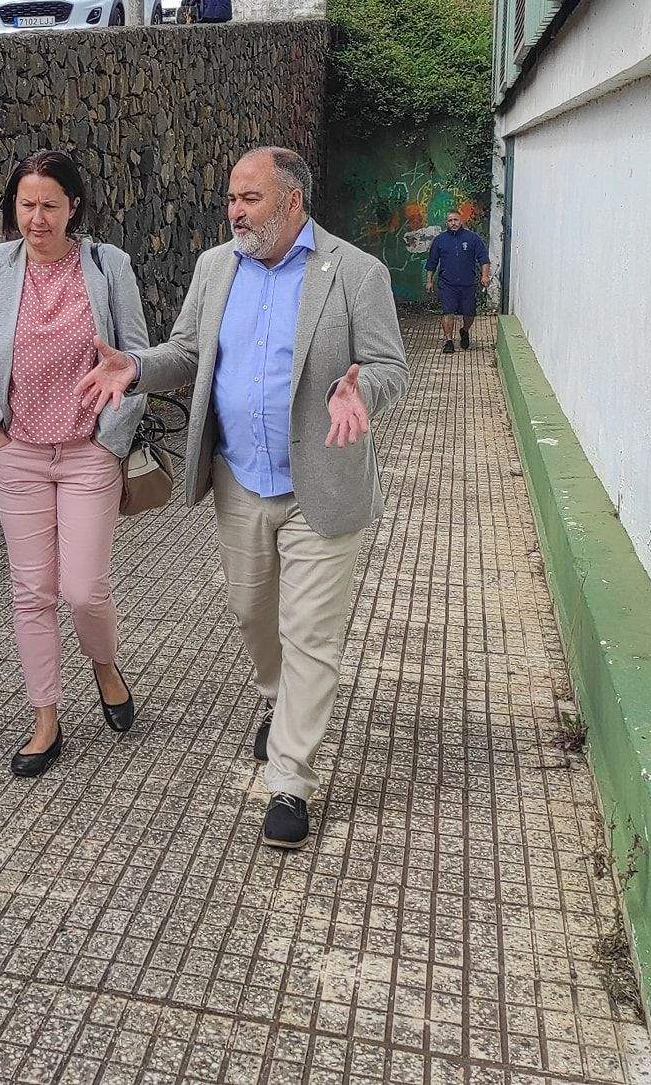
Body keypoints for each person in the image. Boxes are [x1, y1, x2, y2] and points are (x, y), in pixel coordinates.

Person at [78, 147, 408, 850]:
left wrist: (362, 391)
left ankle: (290, 780)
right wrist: (137, 367)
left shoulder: (354, 272)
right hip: (241, 482)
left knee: (311, 636)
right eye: (232, 196)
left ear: (292, 202)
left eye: (250, 198)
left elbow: (388, 365)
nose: (234, 210)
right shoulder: (215, 266)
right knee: (250, 614)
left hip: (322, 484)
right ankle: (276, 699)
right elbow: (190, 353)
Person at [0, 151, 151, 777]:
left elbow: (137, 359)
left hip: (88, 450)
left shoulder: (106, 264)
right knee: (33, 591)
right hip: (19, 454)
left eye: (49, 206)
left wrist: (110, 440)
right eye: (25, 205)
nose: (36, 219)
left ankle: (103, 663)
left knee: (83, 589)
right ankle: (46, 715)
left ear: (74, 208)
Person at [424, 209, 491, 353]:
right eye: (450, 221)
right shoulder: (440, 240)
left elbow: (484, 259)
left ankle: (464, 331)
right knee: (447, 311)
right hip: (447, 283)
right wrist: (429, 280)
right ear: (446, 223)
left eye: (455, 220)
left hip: (468, 283)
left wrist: (484, 276)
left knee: (469, 313)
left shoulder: (472, 238)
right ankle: (449, 341)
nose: (453, 223)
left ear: (461, 221)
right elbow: (432, 262)